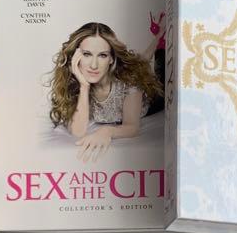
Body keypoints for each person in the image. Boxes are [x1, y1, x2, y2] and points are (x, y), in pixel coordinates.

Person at [48, 21, 163, 163]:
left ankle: (160, 40)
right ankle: (159, 38)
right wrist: (84, 86)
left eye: (102, 55)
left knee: (148, 65)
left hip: (155, 99)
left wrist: (106, 131)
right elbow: (78, 132)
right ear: (76, 57)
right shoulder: (76, 83)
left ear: (111, 59)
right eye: (87, 54)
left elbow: (132, 127)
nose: (94, 65)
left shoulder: (129, 82)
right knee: (141, 63)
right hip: (126, 72)